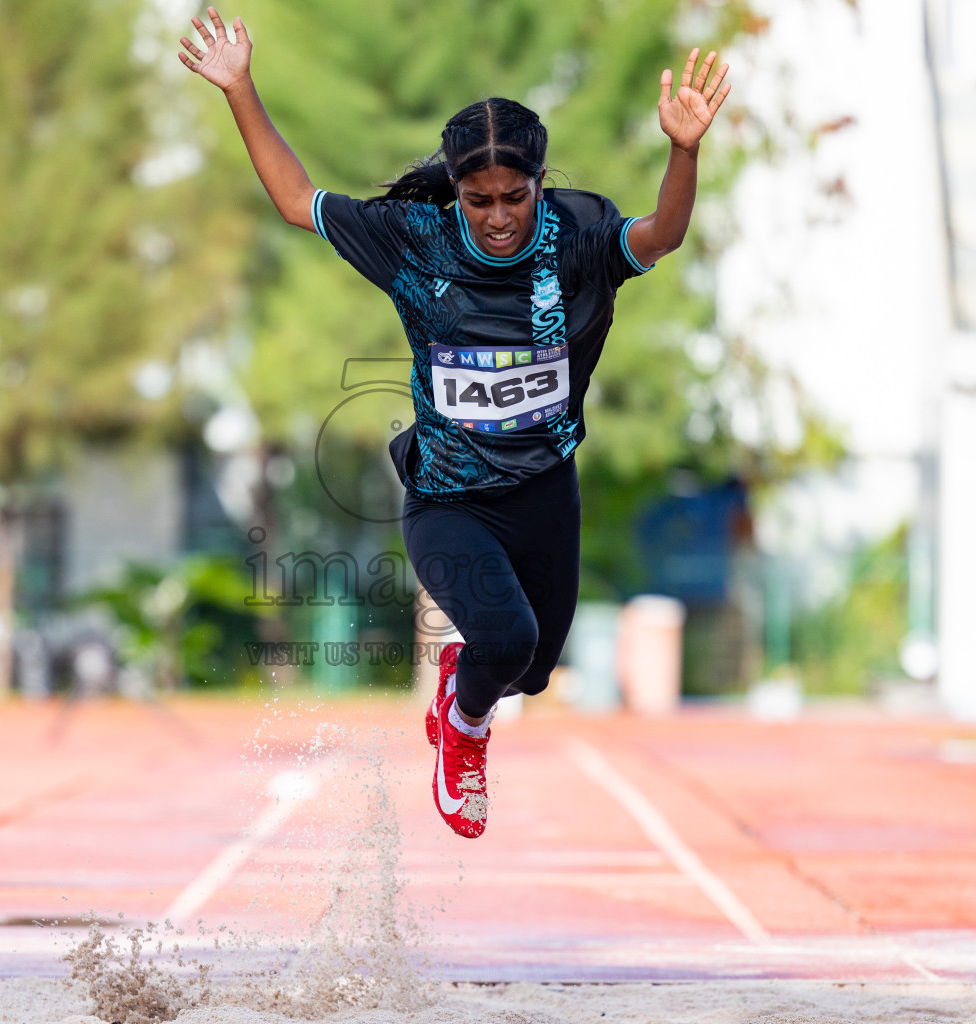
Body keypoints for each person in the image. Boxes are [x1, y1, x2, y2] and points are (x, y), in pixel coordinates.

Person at [179, 7, 730, 838]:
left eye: (515, 197)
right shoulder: (417, 241)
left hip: (546, 490)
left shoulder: (577, 237)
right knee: (504, 639)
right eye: (479, 201)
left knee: (533, 669)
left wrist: (682, 149)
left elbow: (663, 233)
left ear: (540, 186)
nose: (499, 216)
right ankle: (463, 734)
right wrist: (241, 88)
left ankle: (461, 685)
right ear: (457, 191)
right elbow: (297, 200)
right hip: (449, 499)